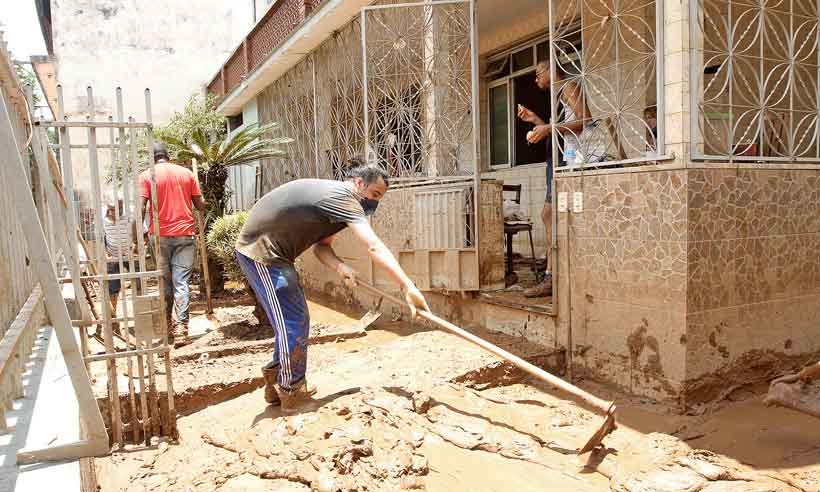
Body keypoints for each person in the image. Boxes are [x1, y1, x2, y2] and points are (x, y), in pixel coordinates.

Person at [235, 158, 430, 412]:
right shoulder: (344, 197)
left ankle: (279, 384)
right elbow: (373, 246)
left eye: (380, 198)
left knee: (292, 321)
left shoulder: (336, 201)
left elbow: (322, 248)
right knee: (293, 321)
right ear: (359, 183)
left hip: (274, 254)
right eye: (374, 194)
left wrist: (341, 268)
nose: (375, 202)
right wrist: (407, 287)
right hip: (263, 252)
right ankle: (290, 392)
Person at [516, 61, 603, 298]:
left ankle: (552, 277)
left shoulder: (568, 87)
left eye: (537, 74)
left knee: (552, 215)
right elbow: (560, 128)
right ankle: (552, 274)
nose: (535, 80)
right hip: (560, 159)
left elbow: (585, 119)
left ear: (550, 72)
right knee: (550, 216)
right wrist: (536, 122)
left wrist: (546, 129)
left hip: (570, 161)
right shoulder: (560, 95)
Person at [139, 143, 205, 337]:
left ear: (153, 158)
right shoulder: (187, 174)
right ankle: (182, 328)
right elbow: (200, 205)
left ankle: (168, 326)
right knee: (181, 282)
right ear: (168, 156)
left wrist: (137, 236)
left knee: (165, 283)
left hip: (159, 237)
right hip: (185, 234)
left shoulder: (146, 175)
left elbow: (141, 206)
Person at [103, 198, 138, 316]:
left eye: (115, 210)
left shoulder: (130, 216)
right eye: (110, 210)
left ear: (122, 209)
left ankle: (141, 313)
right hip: (113, 257)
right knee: (112, 287)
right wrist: (105, 253)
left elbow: (142, 235)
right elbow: (100, 239)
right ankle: (113, 315)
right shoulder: (103, 220)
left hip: (130, 255)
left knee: (139, 282)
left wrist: (135, 247)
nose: (112, 213)